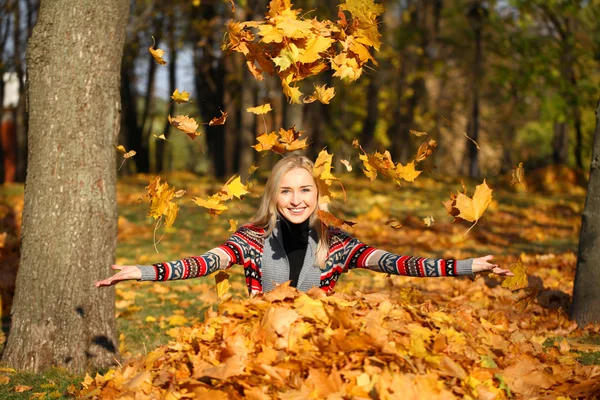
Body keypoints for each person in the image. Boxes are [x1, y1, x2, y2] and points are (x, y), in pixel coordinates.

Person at [96, 154, 512, 293]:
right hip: (260, 345)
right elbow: (202, 263)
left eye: (305, 191)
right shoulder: (252, 239)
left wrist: (469, 266)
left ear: (318, 195)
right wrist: (141, 272)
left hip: (320, 346)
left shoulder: (339, 243)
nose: (296, 200)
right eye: (287, 191)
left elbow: (399, 263)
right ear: (274, 195)